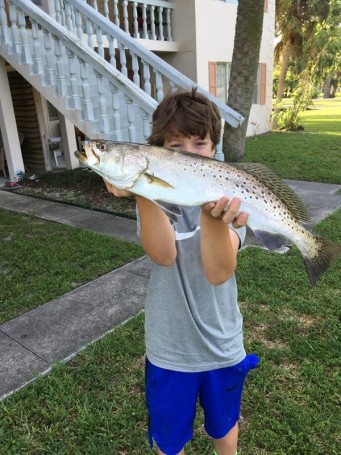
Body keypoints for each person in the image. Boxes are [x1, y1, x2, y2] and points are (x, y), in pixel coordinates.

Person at [104, 88, 259, 455]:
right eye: (174, 147)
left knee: (225, 426)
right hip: (169, 347)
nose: (187, 154)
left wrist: (211, 216)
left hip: (221, 344)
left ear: (215, 150)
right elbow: (162, 254)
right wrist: (142, 187)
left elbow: (219, 272)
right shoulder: (151, 201)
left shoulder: (232, 198)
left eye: (199, 143)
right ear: (157, 152)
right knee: (169, 439)